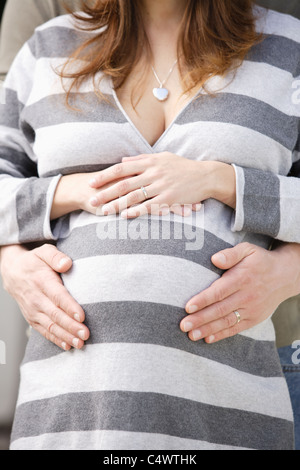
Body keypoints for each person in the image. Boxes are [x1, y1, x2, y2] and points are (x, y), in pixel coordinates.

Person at [0, 0, 300, 450]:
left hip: (229, 411)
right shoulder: (49, 47)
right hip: (71, 414)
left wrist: (221, 181)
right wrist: (72, 192)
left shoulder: (287, 49)